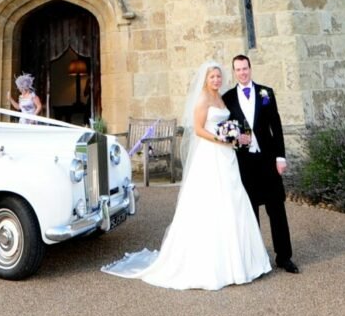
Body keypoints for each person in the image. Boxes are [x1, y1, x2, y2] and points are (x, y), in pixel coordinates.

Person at [102, 61, 271, 290]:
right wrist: (221, 139)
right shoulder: (202, 99)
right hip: (211, 154)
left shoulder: (221, 98)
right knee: (211, 203)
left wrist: (234, 136)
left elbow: (228, 122)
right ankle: (212, 265)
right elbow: (199, 129)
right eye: (212, 77)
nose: (216, 80)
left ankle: (241, 262)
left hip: (227, 157)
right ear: (205, 79)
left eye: (218, 77)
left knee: (233, 201)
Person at [223, 53, 299, 274]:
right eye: (238, 70)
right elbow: (225, 129)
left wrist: (280, 157)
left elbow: (276, 125)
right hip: (245, 162)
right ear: (234, 72)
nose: (243, 73)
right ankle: (256, 259)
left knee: (277, 209)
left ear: (250, 68)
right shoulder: (228, 98)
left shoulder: (266, 93)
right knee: (250, 211)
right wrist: (236, 139)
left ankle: (284, 257)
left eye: (245, 68)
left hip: (268, 160)